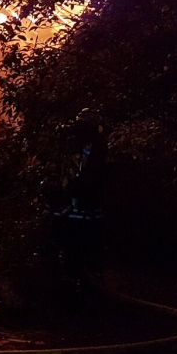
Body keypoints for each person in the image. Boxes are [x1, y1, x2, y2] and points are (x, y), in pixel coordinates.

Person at [53, 109, 108, 295]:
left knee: (84, 246)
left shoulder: (96, 149)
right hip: (80, 207)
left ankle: (87, 283)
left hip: (87, 207)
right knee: (75, 246)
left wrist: (75, 186)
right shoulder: (83, 146)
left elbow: (89, 177)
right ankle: (79, 281)